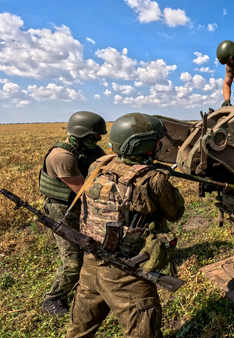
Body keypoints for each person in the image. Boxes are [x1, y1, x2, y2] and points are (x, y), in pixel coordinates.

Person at [66, 113, 185, 338]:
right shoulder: (152, 180)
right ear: (147, 146)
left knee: (79, 330)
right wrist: (163, 181)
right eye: (157, 141)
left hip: (91, 262)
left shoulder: (98, 165)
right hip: (126, 271)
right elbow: (175, 213)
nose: (161, 144)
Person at [39, 111, 107, 316]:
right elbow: (85, 191)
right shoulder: (62, 157)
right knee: (73, 260)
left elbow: (106, 166)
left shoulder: (93, 150)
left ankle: (90, 285)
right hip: (63, 211)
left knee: (94, 248)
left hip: (83, 207)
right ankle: (53, 298)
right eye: (94, 137)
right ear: (80, 135)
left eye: (99, 137)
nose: (98, 140)